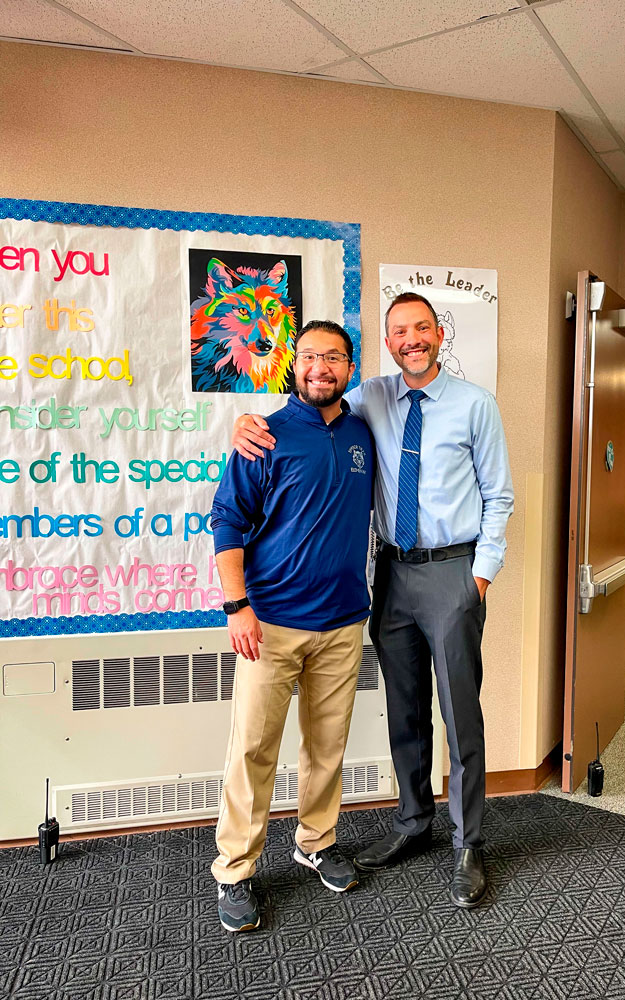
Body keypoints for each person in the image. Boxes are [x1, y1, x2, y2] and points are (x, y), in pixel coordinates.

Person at [232, 293, 513, 908]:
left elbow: (500, 495)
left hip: (452, 573)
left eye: (421, 328)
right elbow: (308, 409)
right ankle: (413, 823)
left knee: (459, 711)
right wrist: (241, 424)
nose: (410, 340)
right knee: (403, 709)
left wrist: (481, 576)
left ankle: (470, 842)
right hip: (390, 576)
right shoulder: (367, 399)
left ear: (439, 334)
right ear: (385, 344)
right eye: (398, 332)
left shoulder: (476, 405)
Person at [210, 320, 374, 933]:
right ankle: (236, 869)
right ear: (293, 363)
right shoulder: (263, 437)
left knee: (327, 746)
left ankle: (316, 841)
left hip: (341, 623)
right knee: (253, 749)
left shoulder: (363, 431)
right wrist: (237, 606)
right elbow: (227, 521)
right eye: (309, 356)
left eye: (333, 357)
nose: (320, 367)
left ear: (349, 367)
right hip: (270, 624)